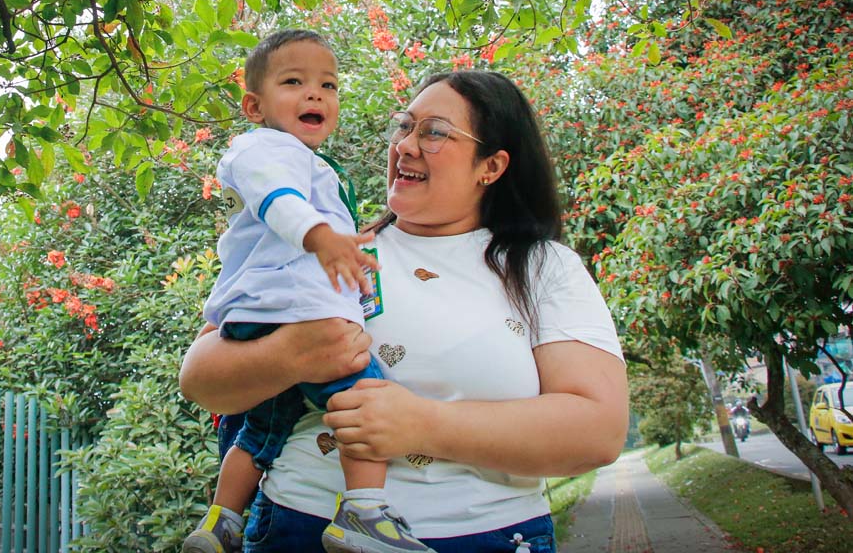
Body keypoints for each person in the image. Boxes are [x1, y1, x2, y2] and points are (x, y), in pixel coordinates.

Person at [180, 69, 629, 552]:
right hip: (299, 527)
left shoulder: (544, 267)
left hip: (489, 537)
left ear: (491, 166)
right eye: (404, 126)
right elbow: (200, 379)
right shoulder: (331, 245)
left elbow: (597, 431)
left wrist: (420, 425)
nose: (406, 146)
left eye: (434, 132)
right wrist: (290, 354)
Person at [182, 30, 433, 553]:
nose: (315, 94)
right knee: (365, 401)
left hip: (264, 313)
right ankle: (364, 511)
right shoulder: (264, 149)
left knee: (263, 428)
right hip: (295, 311)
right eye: (293, 82)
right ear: (254, 105)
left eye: (328, 84)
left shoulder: (302, 159)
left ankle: (222, 520)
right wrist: (323, 239)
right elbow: (280, 199)